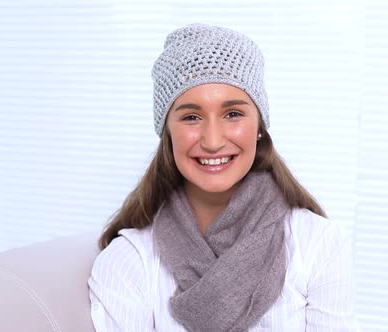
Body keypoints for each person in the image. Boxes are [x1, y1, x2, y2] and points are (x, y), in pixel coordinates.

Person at [88, 23, 359, 331]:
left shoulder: (318, 245)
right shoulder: (127, 262)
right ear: (168, 134)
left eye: (233, 114)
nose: (213, 140)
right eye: (191, 117)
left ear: (259, 126)